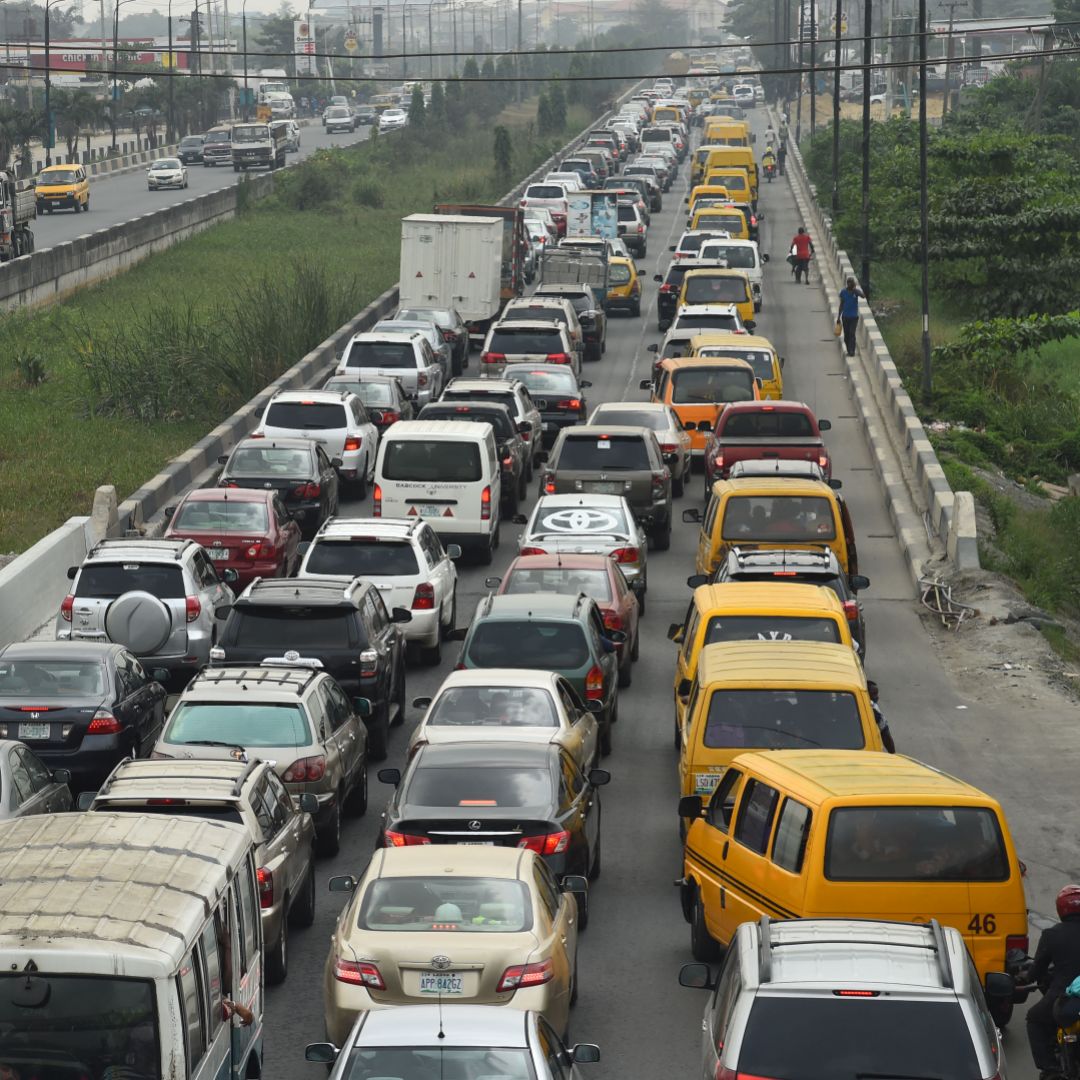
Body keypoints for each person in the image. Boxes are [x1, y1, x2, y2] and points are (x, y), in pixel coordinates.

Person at [1028, 885, 1080, 1079]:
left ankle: (1050, 1068)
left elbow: (1037, 969)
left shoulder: (1052, 935)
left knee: (1034, 1018)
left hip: (1063, 995)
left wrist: (1024, 978)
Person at [838, 276, 865, 357]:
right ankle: (848, 349)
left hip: (854, 317)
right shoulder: (843, 292)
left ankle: (852, 350)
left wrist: (855, 290)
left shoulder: (855, 292)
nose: (849, 284)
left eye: (851, 282)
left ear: (853, 284)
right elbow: (841, 304)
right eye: (848, 282)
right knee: (846, 335)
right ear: (847, 283)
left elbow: (863, 296)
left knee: (852, 333)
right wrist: (838, 316)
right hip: (845, 317)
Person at [866, 680, 895, 753]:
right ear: (866, 694)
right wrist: (893, 754)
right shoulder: (874, 710)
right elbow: (886, 734)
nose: (877, 697)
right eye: (874, 694)